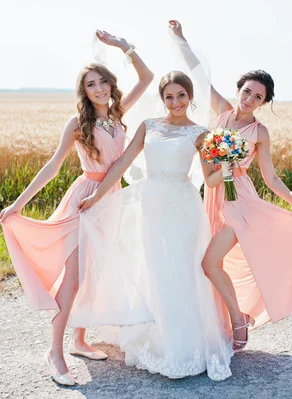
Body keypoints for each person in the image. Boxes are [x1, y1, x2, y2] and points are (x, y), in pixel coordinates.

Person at [0, 30, 154, 386]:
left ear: (111, 85)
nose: (98, 89)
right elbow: (52, 167)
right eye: (90, 85)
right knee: (72, 279)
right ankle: (55, 350)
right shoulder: (77, 123)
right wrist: (18, 204)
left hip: (111, 200)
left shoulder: (118, 113)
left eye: (102, 82)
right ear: (83, 92)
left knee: (93, 274)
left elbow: (147, 77)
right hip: (84, 200)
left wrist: (122, 46)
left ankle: (79, 340)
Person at [169, 20, 292, 352]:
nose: (250, 98)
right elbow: (198, 76)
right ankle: (220, 324)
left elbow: (271, 178)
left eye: (258, 96)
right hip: (213, 194)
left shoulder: (259, 133)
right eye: (247, 91)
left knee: (209, 263)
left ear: (264, 102)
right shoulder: (222, 113)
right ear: (238, 90)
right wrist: (181, 39)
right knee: (215, 263)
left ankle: (239, 319)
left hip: (241, 202)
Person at [74, 71, 233, 381]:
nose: (175, 102)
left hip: (182, 205)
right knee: (155, 268)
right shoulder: (149, 126)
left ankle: (184, 346)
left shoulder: (200, 133)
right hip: (151, 203)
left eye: (181, 96)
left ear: (190, 97)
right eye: (169, 96)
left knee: (181, 270)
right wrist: (96, 195)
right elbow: (121, 163)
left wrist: (229, 166)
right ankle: (156, 338)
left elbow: (211, 179)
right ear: (162, 99)